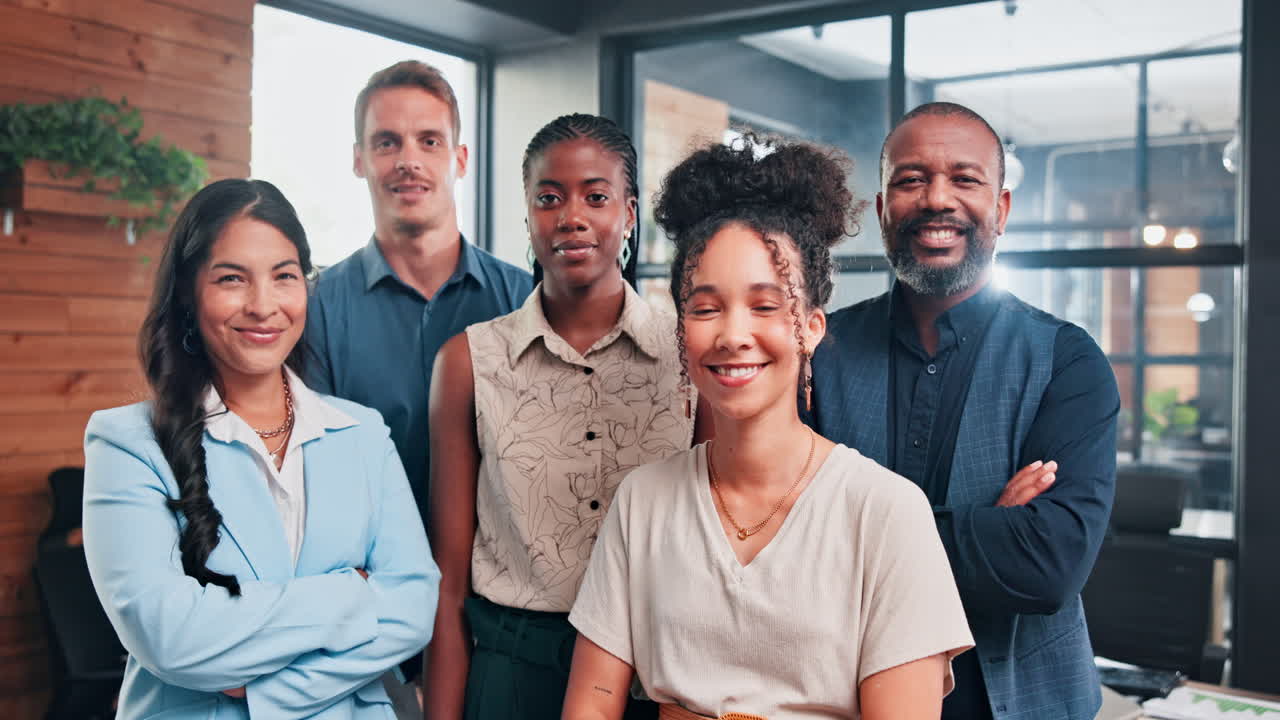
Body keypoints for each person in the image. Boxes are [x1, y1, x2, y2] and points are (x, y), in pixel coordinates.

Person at [562, 136, 974, 720]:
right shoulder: (643, 501)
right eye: (705, 308)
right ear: (682, 329)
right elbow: (592, 706)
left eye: (764, 306)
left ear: (810, 327)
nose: (733, 335)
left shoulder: (885, 512)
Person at [808, 102, 1120, 720]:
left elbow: (1047, 568)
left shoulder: (1066, 360)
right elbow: (784, 543)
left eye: (965, 179)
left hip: (1020, 704)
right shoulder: (820, 353)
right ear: (881, 210)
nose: (936, 200)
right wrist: (987, 525)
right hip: (846, 699)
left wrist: (855, 542)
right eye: (911, 179)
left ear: (1000, 211)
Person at [82, 179, 439, 719]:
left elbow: (413, 609)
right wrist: (351, 594)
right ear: (187, 290)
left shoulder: (363, 434)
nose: (263, 305)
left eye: (284, 276)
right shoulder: (127, 444)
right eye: (231, 279)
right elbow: (169, 636)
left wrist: (262, 692)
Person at [424, 114, 703, 720]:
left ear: (629, 213)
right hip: (509, 677)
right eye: (549, 198)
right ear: (528, 215)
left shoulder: (690, 356)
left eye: (596, 197)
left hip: (657, 680)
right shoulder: (469, 363)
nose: (572, 216)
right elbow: (447, 586)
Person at [305, 60, 532, 531]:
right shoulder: (317, 308)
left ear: (461, 159)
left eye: (429, 141)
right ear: (359, 159)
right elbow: (315, 469)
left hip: (501, 589)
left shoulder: (526, 299)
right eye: (387, 142)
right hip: (366, 582)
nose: (408, 160)